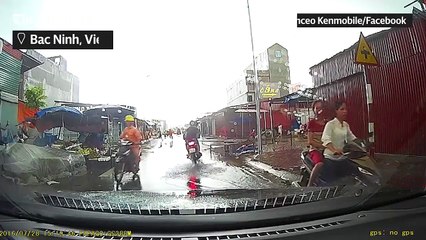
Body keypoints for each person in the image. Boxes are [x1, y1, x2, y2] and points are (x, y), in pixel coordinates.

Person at [306, 100, 328, 186]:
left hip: (328, 149)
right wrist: (323, 146)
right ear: (314, 109)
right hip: (315, 150)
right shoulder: (311, 123)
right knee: (320, 163)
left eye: (321, 108)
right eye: (317, 108)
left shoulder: (328, 123)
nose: (319, 110)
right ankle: (309, 185)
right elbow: (310, 141)